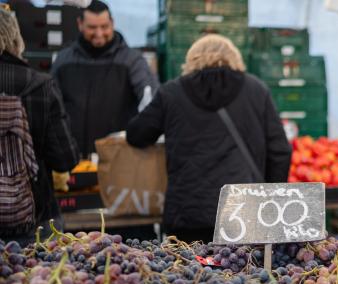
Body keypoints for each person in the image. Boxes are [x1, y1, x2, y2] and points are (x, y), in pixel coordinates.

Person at [126, 35, 292, 243]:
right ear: (234, 58)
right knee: (247, 272)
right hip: (245, 212)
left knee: (189, 273)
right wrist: (269, 199)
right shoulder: (256, 90)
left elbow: (136, 135)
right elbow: (280, 151)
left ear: (191, 60)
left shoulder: (171, 93)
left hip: (187, 213)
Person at [0, 8, 80, 245]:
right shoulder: (39, 85)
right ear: (16, 38)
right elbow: (64, 159)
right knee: (37, 281)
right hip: (34, 222)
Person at [51, 0, 158, 157]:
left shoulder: (132, 60)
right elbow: (51, 105)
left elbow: (150, 97)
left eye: (104, 27)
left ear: (112, 23)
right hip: (74, 156)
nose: (99, 34)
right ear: (80, 24)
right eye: (92, 28)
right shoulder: (63, 60)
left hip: (118, 156)